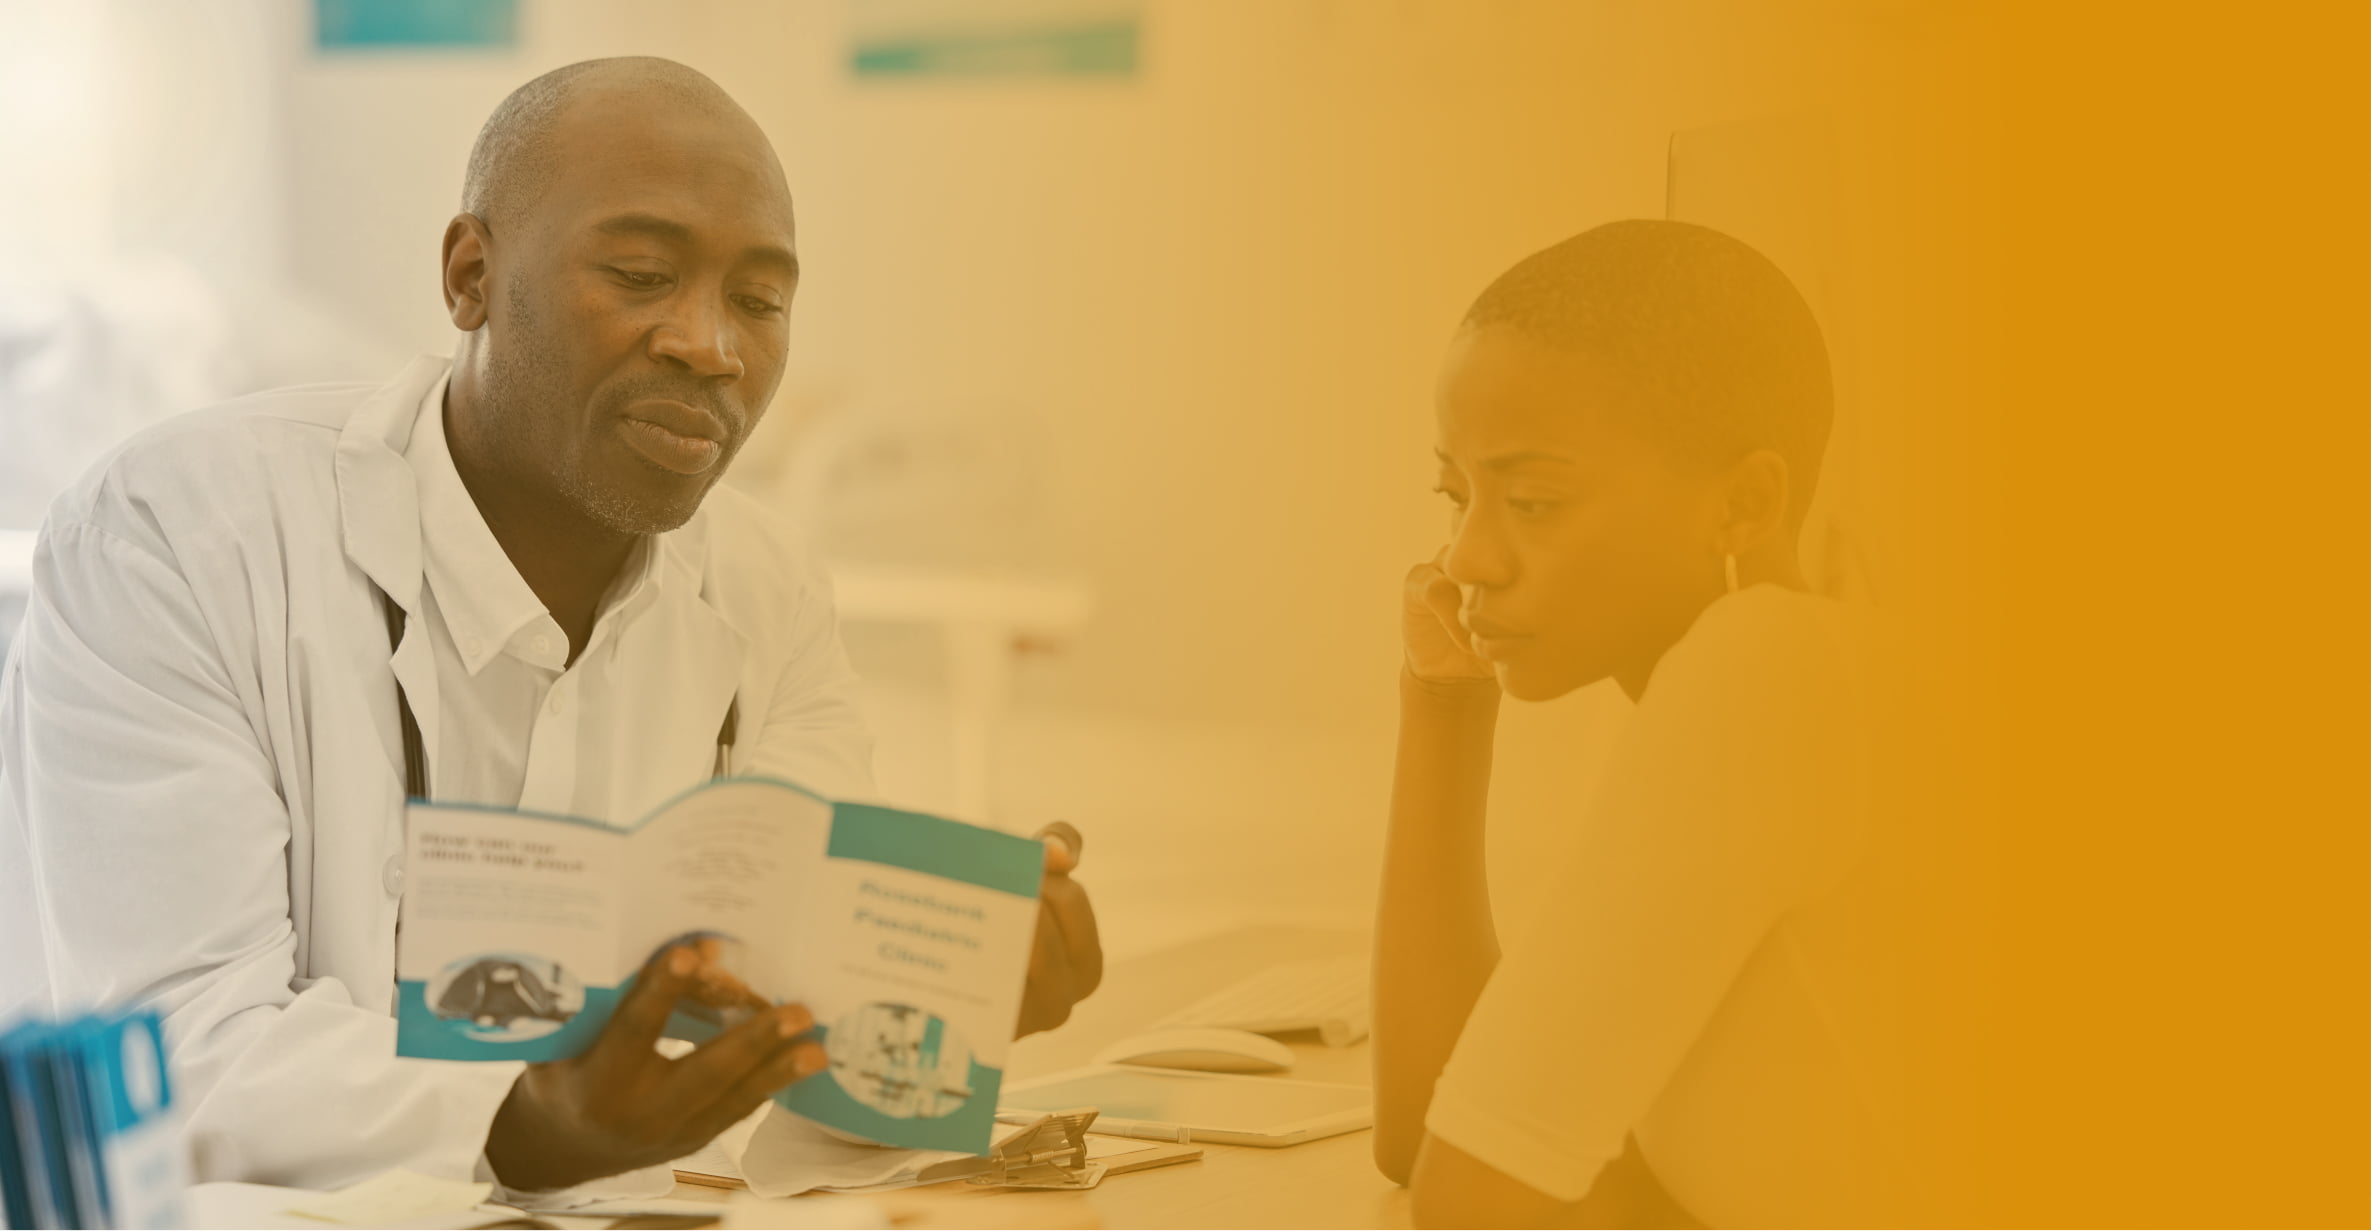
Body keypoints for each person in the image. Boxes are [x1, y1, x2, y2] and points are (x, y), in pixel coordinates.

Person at [0, 58, 1101, 1200]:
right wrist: (515, 1118)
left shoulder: (766, 590)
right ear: (471, 274)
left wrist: (941, 1006)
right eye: (641, 273)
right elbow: (171, 1047)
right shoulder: (177, 534)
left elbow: (788, 1036)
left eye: (760, 301)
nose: (710, 344)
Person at [1372, 220, 1897, 1227]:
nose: (1466, 557)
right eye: (1456, 494)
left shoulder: (1768, 673)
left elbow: (1469, 1207)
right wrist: (1442, 705)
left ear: (1743, 503)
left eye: (1530, 501)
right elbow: (1428, 1136)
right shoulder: (1757, 681)